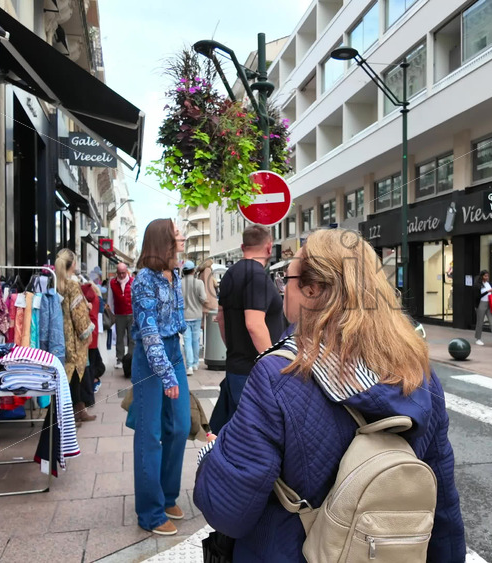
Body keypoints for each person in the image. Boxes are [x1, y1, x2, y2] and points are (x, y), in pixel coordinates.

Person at [194, 229, 466, 561]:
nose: (283, 288)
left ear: (312, 289)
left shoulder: (277, 376)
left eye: (287, 278)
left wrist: (213, 455)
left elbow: (228, 511)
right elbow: (441, 499)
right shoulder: (417, 371)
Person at [130, 219, 191, 536]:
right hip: (150, 359)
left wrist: (179, 361)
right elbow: (149, 333)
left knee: (180, 427)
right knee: (150, 435)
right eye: (177, 234)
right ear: (163, 241)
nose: (182, 237)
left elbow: (176, 323)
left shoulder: (174, 273)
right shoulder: (143, 281)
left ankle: (168, 497)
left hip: (174, 351)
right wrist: (167, 375)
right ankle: (150, 513)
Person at [210, 225, 286, 434]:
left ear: (243, 246)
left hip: (236, 368)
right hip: (256, 374)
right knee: (256, 438)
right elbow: (254, 324)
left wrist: (234, 349)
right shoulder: (257, 277)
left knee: (238, 436)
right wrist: (273, 363)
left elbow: (222, 319)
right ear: (269, 248)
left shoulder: (229, 275)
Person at [54, 249, 97, 426]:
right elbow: (78, 314)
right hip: (73, 336)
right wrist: (87, 332)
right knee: (75, 373)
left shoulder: (56, 282)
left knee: (72, 373)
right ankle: (72, 414)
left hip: (60, 333)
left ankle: (79, 408)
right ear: (73, 264)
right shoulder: (72, 285)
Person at [181, 259, 207, 376]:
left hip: (184, 316)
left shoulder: (179, 283)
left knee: (187, 341)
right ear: (193, 270)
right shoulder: (199, 283)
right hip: (197, 315)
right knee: (196, 340)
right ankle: (196, 363)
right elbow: (204, 298)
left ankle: (189, 366)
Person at [108, 262, 135, 370]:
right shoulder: (112, 283)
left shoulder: (133, 282)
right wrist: (112, 313)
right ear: (117, 272)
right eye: (120, 273)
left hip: (132, 313)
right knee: (119, 337)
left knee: (132, 338)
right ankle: (119, 359)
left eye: (123, 273)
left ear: (127, 271)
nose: (122, 275)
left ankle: (131, 358)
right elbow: (110, 299)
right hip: (119, 314)